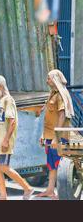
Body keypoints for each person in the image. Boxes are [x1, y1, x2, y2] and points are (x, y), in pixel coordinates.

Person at [0, 75, 34, 200]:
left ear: (0, 86)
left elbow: (12, 122)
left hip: (4, 140)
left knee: (3, 166)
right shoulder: (0, 100)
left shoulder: (8, 100)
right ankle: (3, 195)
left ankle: (27, 188)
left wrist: (6, 140)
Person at [35, 69, 75, 199]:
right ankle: (50, 190)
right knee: (51, 165)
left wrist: (56, 137)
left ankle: (58, 192)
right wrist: (44, 135)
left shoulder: (60, 95)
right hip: (49, 136)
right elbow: (48, 117)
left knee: (58, 165)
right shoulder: (52, 94)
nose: (47, 81)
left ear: (55, 80)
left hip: (57, 137)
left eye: (49, 78)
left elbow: (62, 115)